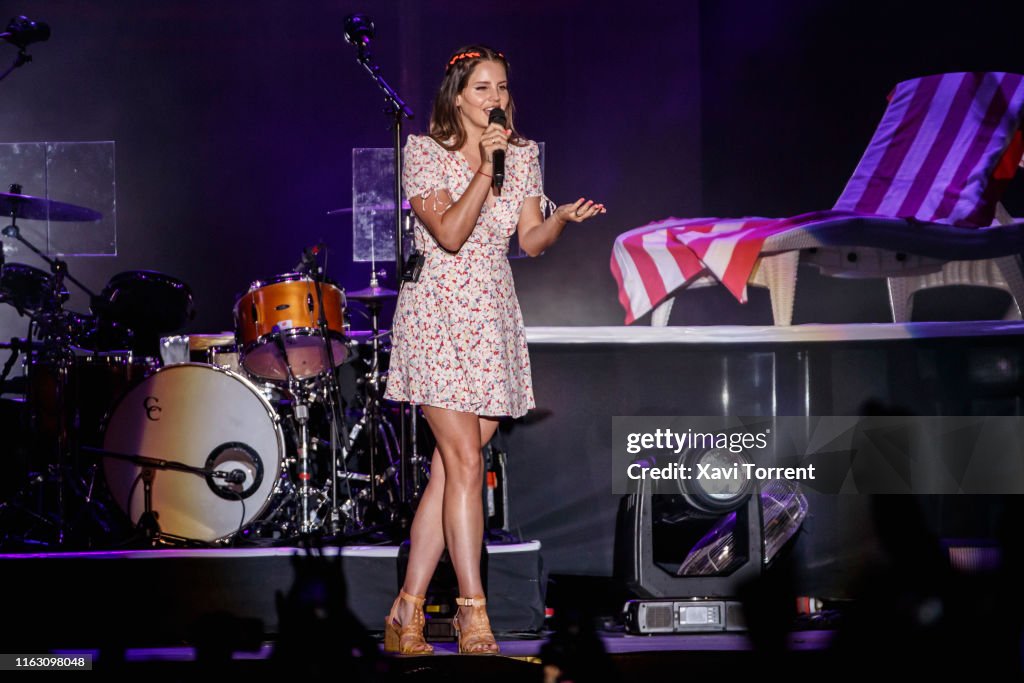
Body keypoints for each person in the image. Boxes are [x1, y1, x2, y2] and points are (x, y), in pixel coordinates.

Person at [381, 44, 605, 655]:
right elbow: (450, 235)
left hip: (492, 315)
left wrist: (561, 220)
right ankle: (471, 612)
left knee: (448, 472)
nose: (496, 99)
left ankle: (405, 610)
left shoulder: (525, 154)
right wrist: (484, 166)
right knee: (467, 467)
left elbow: (529, 241)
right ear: (457, 96)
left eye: (502, 87)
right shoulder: (423, 153)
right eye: (482, 88)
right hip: (438, 315)